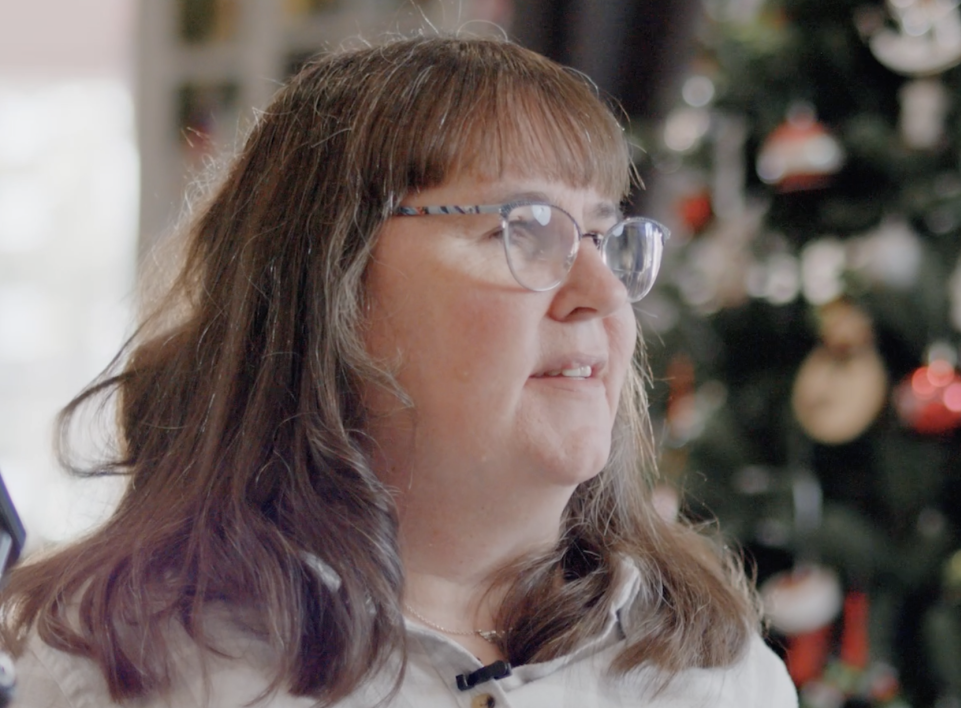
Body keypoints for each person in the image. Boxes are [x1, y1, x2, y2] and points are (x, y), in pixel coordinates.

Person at [2, 34, 797, 707]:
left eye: (605, 237)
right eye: (523, 231)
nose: (599, 294)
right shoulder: (114, 667)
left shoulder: (719, 677)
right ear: (329, 283)